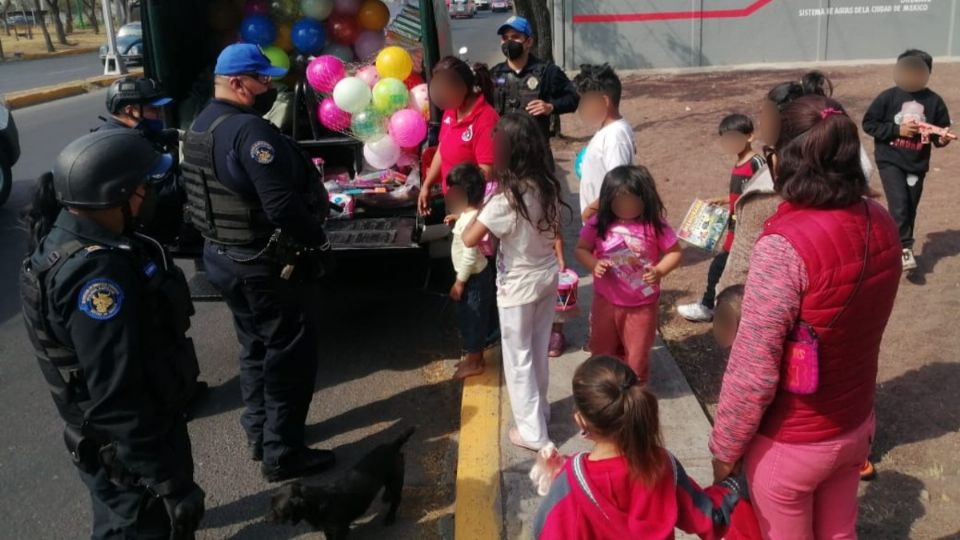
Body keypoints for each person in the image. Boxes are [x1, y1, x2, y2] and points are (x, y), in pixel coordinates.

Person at [709, 96, 903, 540]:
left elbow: (753, 370)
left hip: (792, 442)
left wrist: (724, 449)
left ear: (785, 162)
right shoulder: (882, 222)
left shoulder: (784, 245)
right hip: (853, 424)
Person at [20, 130, 205, 539]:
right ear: (114, 193)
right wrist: (170, 484)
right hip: (128, 453)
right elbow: (116, 396)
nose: (147, 195)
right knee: (138, 529)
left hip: (115, 444)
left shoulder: (73, 239)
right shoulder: (98, 277)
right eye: (141, 187)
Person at [180, 43, 335, 482]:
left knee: (254, 345)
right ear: (236, 83)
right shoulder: (250, 132)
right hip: (261, 265)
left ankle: (259, 431)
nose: (269, 86)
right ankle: (283, 452)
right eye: (262, 79)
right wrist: (319, 245)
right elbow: (281, 204)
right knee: (288, 353)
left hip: (222, 258)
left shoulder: (200, 126)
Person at [533, 355, 745, 539]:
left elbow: (546, 531)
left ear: (581, 421)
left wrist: (564, 473)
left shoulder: (570, 484)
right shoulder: (661, 464)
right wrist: (733, 484)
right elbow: (708, 517)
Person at [462, 112, 569, 451]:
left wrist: (479, 206)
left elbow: (469, 238)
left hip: (517, 288)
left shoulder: (506, 199)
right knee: (537, 350)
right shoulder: (547, 186)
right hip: (545, 277)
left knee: (518, 357)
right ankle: (541, 412)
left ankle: (533, 432)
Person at [715, 71, 836, 296]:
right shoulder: (835, 173)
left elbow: (740, 269)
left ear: (783, 124)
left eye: (764, 114)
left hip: (760, 302)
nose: (760, 121)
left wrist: (723, 298)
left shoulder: (767, 195)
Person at [574, 165, 682, 383]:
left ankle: (634, 396)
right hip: (605, 301)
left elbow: (675, 252)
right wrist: (594, 264)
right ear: (607, 199)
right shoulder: (599, 222)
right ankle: (603, 391)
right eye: (619, 202)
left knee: (637, 355)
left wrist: (660, 270)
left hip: (641, 305)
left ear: (646, 198)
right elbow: (580, 249)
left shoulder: (655, 224)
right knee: (602, 349)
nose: (625, 207)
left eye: (632, 201)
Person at [862, 49, 953, 272]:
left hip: (917, 164)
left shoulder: (934, 101)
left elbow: (938, 134)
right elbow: (869, 124)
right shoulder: (888, 97)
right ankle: (904, 248)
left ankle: (896, 246)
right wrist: (897, 129)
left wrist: (942, 139)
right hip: (890, 160)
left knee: (909, 207)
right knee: (899, 204)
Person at [677, 114, 764, 322]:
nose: (729, 143)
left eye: (734, 137)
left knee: (721, 266)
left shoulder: (756, 163)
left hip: (745, 230)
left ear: (750, 136)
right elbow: (741, 193)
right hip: (734, 227)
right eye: (725, 138)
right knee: (727, 267)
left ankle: (709, 307)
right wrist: (723, 200)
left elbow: (762, 193)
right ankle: (721, 306)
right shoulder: (739, 164)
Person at [95, 76, 188, 245]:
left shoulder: (114, 132)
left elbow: (153, 137)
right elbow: (169, 191)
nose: (159, 114)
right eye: (153, 109)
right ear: (130, 110)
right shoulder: (128, 144)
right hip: (146, 234)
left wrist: (171, 135)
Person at [417, 56, 499, 216]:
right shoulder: (451, 110)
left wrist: (466, 211)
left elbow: (486, 172)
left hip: (476, 209)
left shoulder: (486, 118)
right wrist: (427, 184)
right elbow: (442, 150)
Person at [491, 16, 579, 147]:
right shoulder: (494, 74)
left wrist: (551, 107)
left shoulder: (548, 72)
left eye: (515, 37)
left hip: (536, 152)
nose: (509, 42)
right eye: (505, 38)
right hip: (504, 151)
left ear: (529, 41)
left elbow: (573, 98)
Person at [445, 163, 497, 379]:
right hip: (476, 276)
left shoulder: (470, 220)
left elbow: (469, 255)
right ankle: (475, 357)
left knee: (473, 319)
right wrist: (458, 218)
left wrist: (459, 282)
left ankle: (475, 363)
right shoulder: (472, 214)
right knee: (473, 318)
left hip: (473, 279)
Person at [573, 64, 635, 221]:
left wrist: (589, 211)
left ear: (605, 101)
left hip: (608, 227)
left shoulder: (615, 137)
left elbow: (619, 186)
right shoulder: (607, 131)